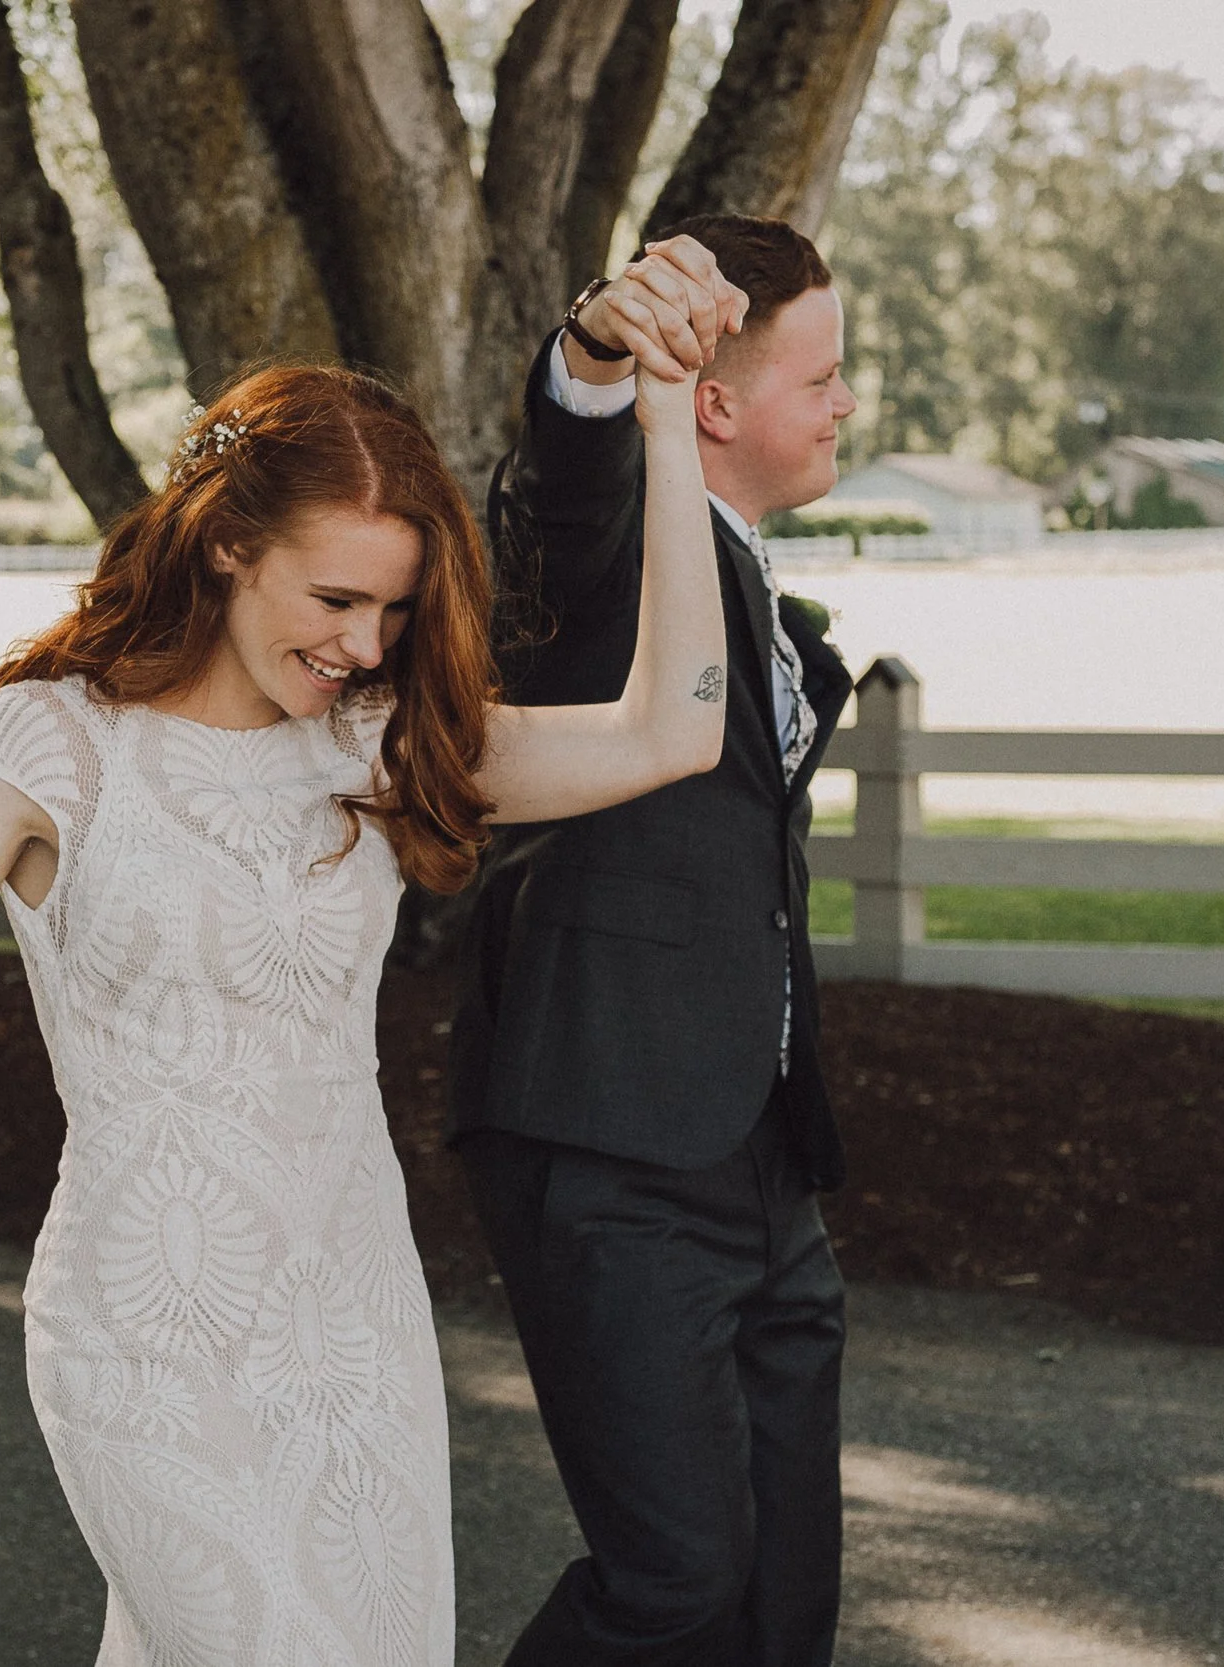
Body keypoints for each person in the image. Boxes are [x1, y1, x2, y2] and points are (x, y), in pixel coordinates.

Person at [0, 334, 737, 1665]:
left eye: (396, 611)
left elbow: (675, 729)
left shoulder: (376, 740)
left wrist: (666, 423)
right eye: (337, 597)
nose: (365, 643)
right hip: (150, 1336)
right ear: (229, 543)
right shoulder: (53, 746)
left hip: (355, 1321)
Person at [449, 215, 861, 1667]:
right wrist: (597, 341)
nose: (847, 399)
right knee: (675, 1583)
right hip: (609, 1137)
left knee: (784, 1592)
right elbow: (561, 475)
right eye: (822, 375)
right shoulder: (618, 540)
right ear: (716, 405)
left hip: (762, 1152)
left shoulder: (754, 581)